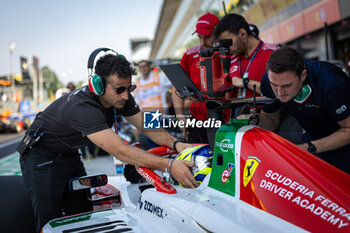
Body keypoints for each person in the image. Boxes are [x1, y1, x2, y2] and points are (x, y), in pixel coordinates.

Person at [19, 53, 197, 232]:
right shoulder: (82, 107)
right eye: (120, 89)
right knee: (50, 221)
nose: (126, 96)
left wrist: (177, 144)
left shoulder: (121, 96)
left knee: (83, 213)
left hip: (69, 153)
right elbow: (121, 151)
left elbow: (146, 124)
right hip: (40, 157)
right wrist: (169, 165)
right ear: (99, 85)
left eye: (130, 88)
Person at [258, 46, 350, 174]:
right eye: (274, 85)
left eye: (287, 86)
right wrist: (252, 120)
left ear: (303, 75)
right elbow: (271, 120)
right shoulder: (267, 81)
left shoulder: (330, 82)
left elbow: (348, 130)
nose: (280, 93)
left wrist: (308, 148)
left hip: (344, 147)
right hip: (312, 144)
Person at [172, 12, 220, 143]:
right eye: (200, 37)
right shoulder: (189, 55)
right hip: (197, 122)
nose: (203, 42)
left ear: (218, 33)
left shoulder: (228, 54)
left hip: (224, 122)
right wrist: (180, 117)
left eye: (207, 37)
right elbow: (177, 87)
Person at [213, 13, 278, 100]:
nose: (227, 48)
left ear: (242, 34)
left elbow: (281, 92)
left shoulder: (273, 54)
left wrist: (245, 83)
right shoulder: (228, 59)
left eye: (229, 43)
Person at [134, 60, 172, 149]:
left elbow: (174, 83)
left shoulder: (159, 77)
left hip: (162, 117)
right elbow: (137, 104)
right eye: (141, 67)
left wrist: (170, 99)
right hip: (148, 118)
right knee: (154, 148)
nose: (143, 69)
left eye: (145, 66)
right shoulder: (137, 85)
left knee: (167, 145)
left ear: (149, 67)